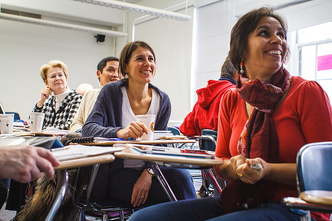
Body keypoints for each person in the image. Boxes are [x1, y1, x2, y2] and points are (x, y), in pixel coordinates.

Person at [128, 7, 332, 221]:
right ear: (241, 50)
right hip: (239, 201)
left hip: (296, 207)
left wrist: (267, 170)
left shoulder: (306, 91)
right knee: (141, 218)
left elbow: (326, 173)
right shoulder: (232, 99)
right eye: (265, 33)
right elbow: (222, 161)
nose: (277, 40)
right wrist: (234, 167)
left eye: (281, 34)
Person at [82, 41, 196, 208]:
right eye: (140, 58)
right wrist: (120, 132)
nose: (147, 64)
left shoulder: (162, 100)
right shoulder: (111, 92)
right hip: (117, 171)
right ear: (126, 67)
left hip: (151, 169)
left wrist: (148, 173)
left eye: (151, 59)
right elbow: (88, 129)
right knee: (168, 195)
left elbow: (159, 146)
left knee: (182, 176)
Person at [179, 57, 237, 137]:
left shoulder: (204, 95)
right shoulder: (235, 94)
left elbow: (185, 130)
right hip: (226, 148)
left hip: (202, 148)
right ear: (237, 73)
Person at [70, 56, 120, 132]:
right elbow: (77, 122)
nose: (116, 75)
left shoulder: (125, 97)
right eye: (110, 70)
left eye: (119, 71)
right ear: (98, 73)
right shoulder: (89, 94)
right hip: (88, 140)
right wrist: (84, 132)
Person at [33, 60, 82, 130]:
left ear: (66, 78)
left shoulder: (77, 98)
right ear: (46, 82)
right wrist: (41, 101)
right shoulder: (47, 101)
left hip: (63, 140)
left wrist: (45, 132)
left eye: (60, 75)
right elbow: (33, 125)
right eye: (53, 76)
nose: (57, 78)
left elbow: (69, 126)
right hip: (43, 139)